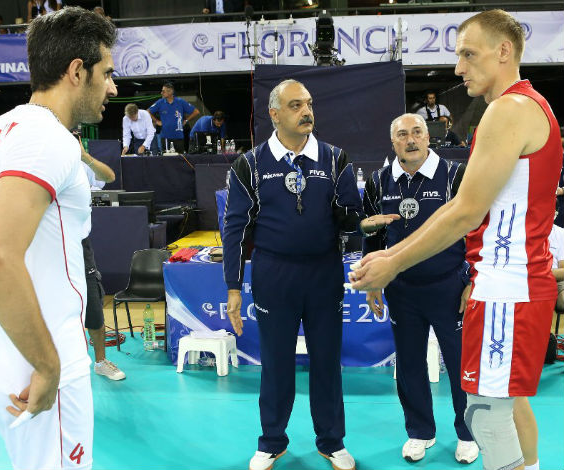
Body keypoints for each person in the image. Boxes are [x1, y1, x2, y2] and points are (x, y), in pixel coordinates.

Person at [351, 10, 561, 470]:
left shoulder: (508, 109)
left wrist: (393, 262)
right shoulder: (527, 106)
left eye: (468, 54)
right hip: (514, 284)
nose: (458, 67)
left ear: (503, 51)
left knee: (485, 414)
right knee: (509, 404)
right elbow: (459, 206)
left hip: (507, 288)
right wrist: (392, 253)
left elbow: (465, 212)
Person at [0, 7, 117, 469]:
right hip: (39, 360)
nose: (113, 88)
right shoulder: (49, 140)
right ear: (77, 72)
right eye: (107, 73)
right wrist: (48, 365)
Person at [223, 79, 381, 470]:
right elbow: (235, 228)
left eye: (308, 104)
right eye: (296, 105)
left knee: (326, 362)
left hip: (323, 273)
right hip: (274, 275)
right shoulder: (250, 164)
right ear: (274, 114)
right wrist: (233, 286)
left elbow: (349, 216)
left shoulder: (335, 158)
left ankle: (332, 441)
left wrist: (363, 226)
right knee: (276, 363)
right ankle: (271, 441)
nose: (306, 111)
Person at [360, 113, 478, 464]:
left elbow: (478, 228)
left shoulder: (454, 175)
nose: (410, 140)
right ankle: (420, 431)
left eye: (416, 132)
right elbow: (372, 235)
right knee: (410, 364)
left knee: (460, 364)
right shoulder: (379, 181)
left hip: (450, 286)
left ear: (428, 138)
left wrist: (474, 279)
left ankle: (467, 432)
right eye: (402, 135)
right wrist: (372, 282)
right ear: (393, 142)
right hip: (402, 289)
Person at [78, 135, 126, 380]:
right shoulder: (45, 167)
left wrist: (84, 156)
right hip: (52, 245)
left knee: (93, 303)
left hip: (81, 245)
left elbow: (109, 176)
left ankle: (100, 361)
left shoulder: (82, 165)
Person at [148, 82, 200, 154]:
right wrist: (156, 121)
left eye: (163, 91)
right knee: (166, 159)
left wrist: (186, 120)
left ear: (170, 92)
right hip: (165, 137)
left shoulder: (180, 102)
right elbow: (147, 112)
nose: (161, 93)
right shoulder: (160, 102)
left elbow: (196, 112)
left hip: (179, 137)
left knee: (180, 158)